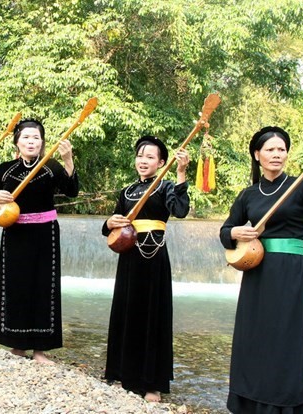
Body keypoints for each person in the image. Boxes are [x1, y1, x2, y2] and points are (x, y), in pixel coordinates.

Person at [219, 126, 303, 413]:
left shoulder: (301, 185)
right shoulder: (248, 195)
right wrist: (237, 232)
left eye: (282, 149)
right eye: (270, 149)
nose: (277, 154)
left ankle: (283, 406)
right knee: (253, 338)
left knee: (285, 339)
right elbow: (226, 231)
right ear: (257, 154)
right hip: (257, 272)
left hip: (290, 273)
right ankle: (248, 403)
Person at [102, 135, 190, 402]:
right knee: (127, 312)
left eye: (150, 157)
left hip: (154, 258)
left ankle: (152, 384)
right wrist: (109, 221)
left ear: (161, 162)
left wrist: (182, 173)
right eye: (140, 156)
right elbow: (107, 227)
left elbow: (181, 211)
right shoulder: (126, 192)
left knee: (153, 314)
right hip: (128, 257)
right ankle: (123, 374)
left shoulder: (165, 187)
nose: (143, 161)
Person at [0, 118, 79, 364]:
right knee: (15, 286)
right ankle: (17, 345)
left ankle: (40, 349)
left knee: (43, 288)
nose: (31, 141)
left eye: (36, 138)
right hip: (15, 233)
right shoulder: (5, 170)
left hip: (45, 233)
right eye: (26, 137)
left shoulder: (51, 167)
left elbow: (71, 190)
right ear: (17, 142)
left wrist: (68, 160)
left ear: (42, 143)